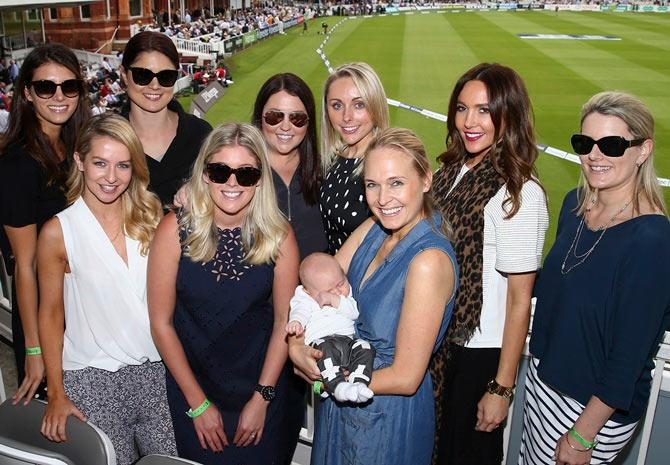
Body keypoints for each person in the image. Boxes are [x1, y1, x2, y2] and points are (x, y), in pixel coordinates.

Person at [290, 127, 458, 465]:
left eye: (396, 182)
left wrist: (328, 379)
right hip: (341, 406)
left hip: (385, 418)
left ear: (425, 180)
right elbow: (315, 285)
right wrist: (295, 344)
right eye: (372, 185)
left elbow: (406, 377)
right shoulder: (375, 227)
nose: (383, 199)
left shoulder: (427, 262)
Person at [519, 92, 670, 465]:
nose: (594, 155)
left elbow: (629, 356)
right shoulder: (574, 205)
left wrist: (582, 437)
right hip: (544, 383)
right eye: (585, 143)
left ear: (643, 150)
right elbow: (562, 286)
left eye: (612, 144)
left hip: (590, 413)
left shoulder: (652, 240)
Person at [148, 123, 300, 465]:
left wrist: (262, 399)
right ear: (204, 174)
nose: (232, 183)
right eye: (220, 171)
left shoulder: (280, 236)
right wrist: (197, 403)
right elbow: (161, 324)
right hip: (194, 392)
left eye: (245, 174)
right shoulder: (174, 229)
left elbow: (283, 323)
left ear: (260, 178)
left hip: (262, 392)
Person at [38, 114, 177, 465]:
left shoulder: (152, 218)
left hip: (157, 373)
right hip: (91, 378)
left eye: (123, 165)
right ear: (79, 161)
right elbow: (51, 314)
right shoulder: (58, 232)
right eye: (100, 163)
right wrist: (55, 392)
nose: (111, 178)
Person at [430, 63, 549, 465]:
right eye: (462, 109)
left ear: (507, 114)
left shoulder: (520, 194)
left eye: (484, 110)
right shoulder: (450, 172)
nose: (469, 121)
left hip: (478, 355)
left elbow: (520, 301)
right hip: (440, 344)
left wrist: (501, 388)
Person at [0, 43, 90, 404]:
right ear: (27, 93)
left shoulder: (75, 146)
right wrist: (34, 350)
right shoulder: (16, 164)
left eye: (69, 87)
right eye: (45, 87)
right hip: (45, 313)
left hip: (80, 302)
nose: (58, 96)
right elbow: (25, 264)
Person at [120, 31, 212, 207]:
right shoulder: (107, 139)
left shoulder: (200, 133)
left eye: (165, 77)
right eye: (142, 75)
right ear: (124, 75)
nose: (154, 86)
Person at [252, 72, 327, 260]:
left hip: (318, 286)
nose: (285, 126)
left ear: (308, 124)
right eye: (274, 117)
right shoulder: (239, 173)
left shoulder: (324, 170)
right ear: (260, 118)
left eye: (297, 118)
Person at [320, 62, 389, 253]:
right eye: (336, 105)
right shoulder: (332, 160)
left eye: (359, 105)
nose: (346, 116)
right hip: (332, 277)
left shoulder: (387, 163)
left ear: (376, 106)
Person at [286, 252, 375, 403]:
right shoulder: (306, 299)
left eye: (341, 283)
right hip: (321, 342)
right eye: (329, 291)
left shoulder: (345, 297)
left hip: (347, 343)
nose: (338, 291)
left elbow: (354, 313)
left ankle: (358, 382)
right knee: (324, 352)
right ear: (308, 292)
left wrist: (335, 300)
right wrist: (296, 322)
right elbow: (300, 310)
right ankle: (337, 387)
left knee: (365, 347)